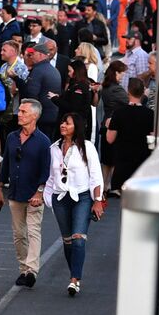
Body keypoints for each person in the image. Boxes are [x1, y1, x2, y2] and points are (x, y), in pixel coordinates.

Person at [46, 112, 105, 297]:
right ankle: (75, 273)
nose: (63, 125)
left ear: (76, 127)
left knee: (79, 238)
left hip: (82, 197)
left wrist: (97, 200)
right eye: (62, 122)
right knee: (68, 241)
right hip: (61, 198)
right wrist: (47, 197)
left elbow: (96, 175)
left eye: (68, 123)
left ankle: (74, 280)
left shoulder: (87, 148)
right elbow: (51, 176)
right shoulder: (54, 148)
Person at [0, 100, 54, 289]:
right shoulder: (12, 137)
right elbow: (6, 163)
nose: (19, 114)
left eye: (23, 111)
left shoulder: (43, 141)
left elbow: (46, 170)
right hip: (15, 192)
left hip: (34, 194)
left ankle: (31, 270)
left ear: (34, 116)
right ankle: (23, 268)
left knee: (33, 231)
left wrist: (40, 191)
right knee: (18, 234)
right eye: (20, 111)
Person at [105, 77, 157, 194]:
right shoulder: (150, 114)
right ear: (143, 93)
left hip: (123, 161)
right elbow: (154, 137)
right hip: (142, 162)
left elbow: (110, 139)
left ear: (128, 91)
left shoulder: (119, 113)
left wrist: (109, 125)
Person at [23, 41, 63, 135]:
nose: (31, 56)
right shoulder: (54, 70)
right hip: (53, 115)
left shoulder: (38, 70)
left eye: (33, 54)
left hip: (41, 117)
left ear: (41, 54)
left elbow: (32, 94)